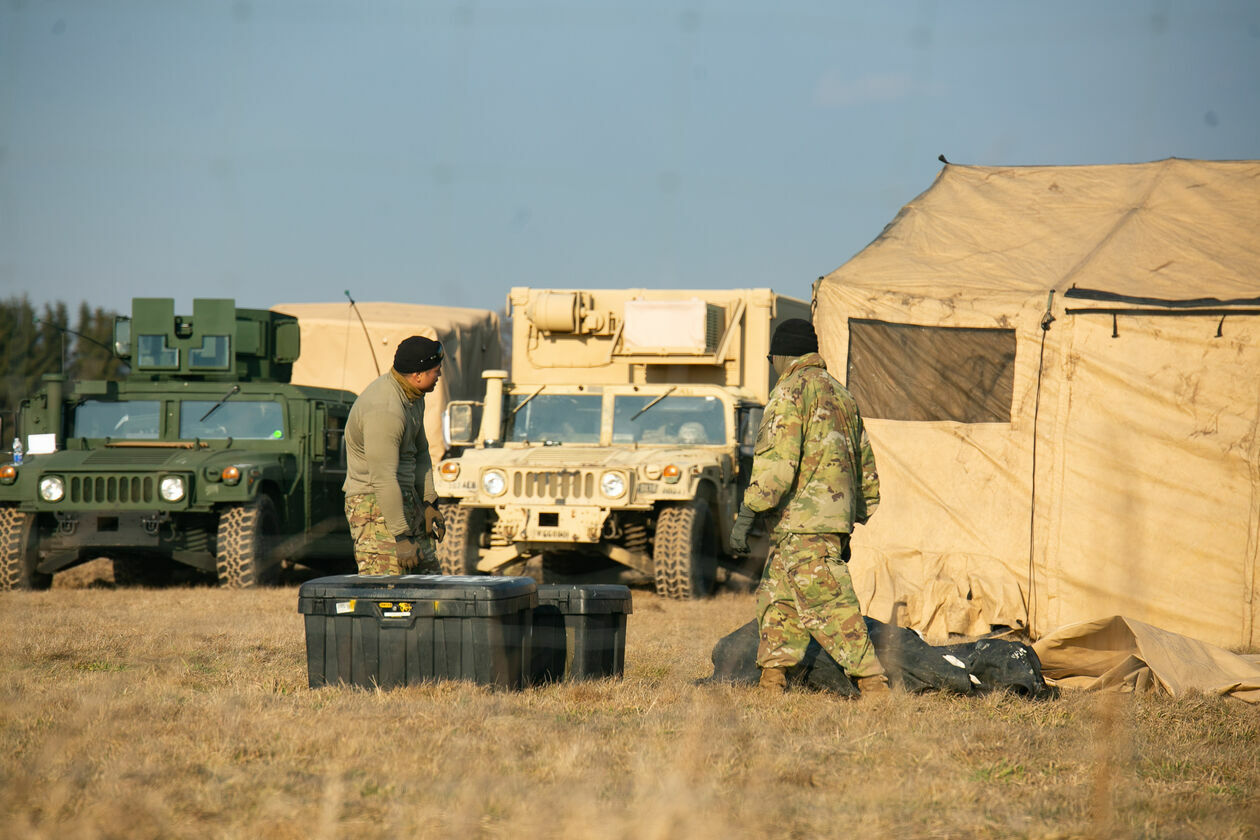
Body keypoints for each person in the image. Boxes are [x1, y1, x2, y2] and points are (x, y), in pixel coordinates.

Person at [728, 318, 891, 697]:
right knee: (778, 600)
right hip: (820, 522)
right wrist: (849, 522)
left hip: (802, 522)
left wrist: (747, 515)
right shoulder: (842, 395)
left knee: (832, 605)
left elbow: (775, 462)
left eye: (772, 358)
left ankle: (874, 685)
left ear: (782, 356)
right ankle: (772, 681)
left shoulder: (790, 393)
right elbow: (863, 464)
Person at [343, 335, 447, 575]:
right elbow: (383, 478)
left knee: (429, 582)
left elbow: (420, 453)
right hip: (374, 504)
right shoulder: (385, 409)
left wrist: (429, 502)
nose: (439, 376)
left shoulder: (414, 396)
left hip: (405, 496)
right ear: (418, 375)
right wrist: (400, 536)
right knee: (387, 589)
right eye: (436, 371)